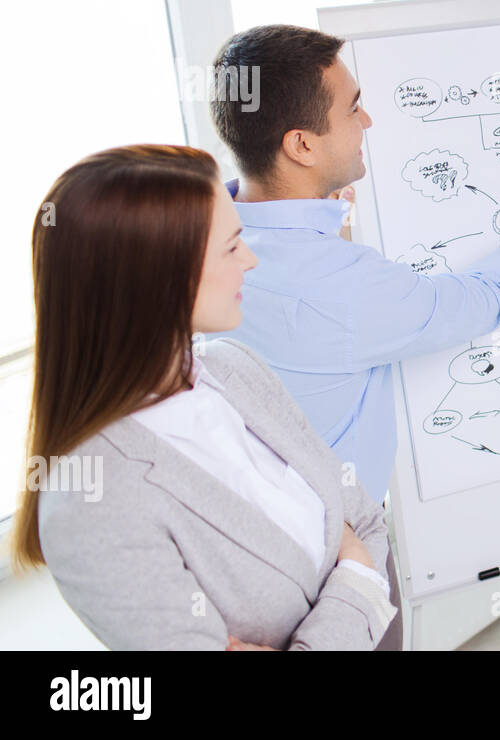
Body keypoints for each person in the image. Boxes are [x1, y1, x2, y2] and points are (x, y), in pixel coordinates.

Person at [208, 25, 500, 647]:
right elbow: (488, 296)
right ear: (300, 144)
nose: (369, 121)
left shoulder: (204, 235)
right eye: (353, 108)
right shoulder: (342, 287)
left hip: (243, 550)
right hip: (331, 567)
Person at [13, 145, 396, 650]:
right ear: (160, 279)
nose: (251, 259)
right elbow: (359, 548)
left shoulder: (235, 368)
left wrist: (354, 571)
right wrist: (355, 574)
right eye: (232, 244)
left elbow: (368, 523)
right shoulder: (91, 501)